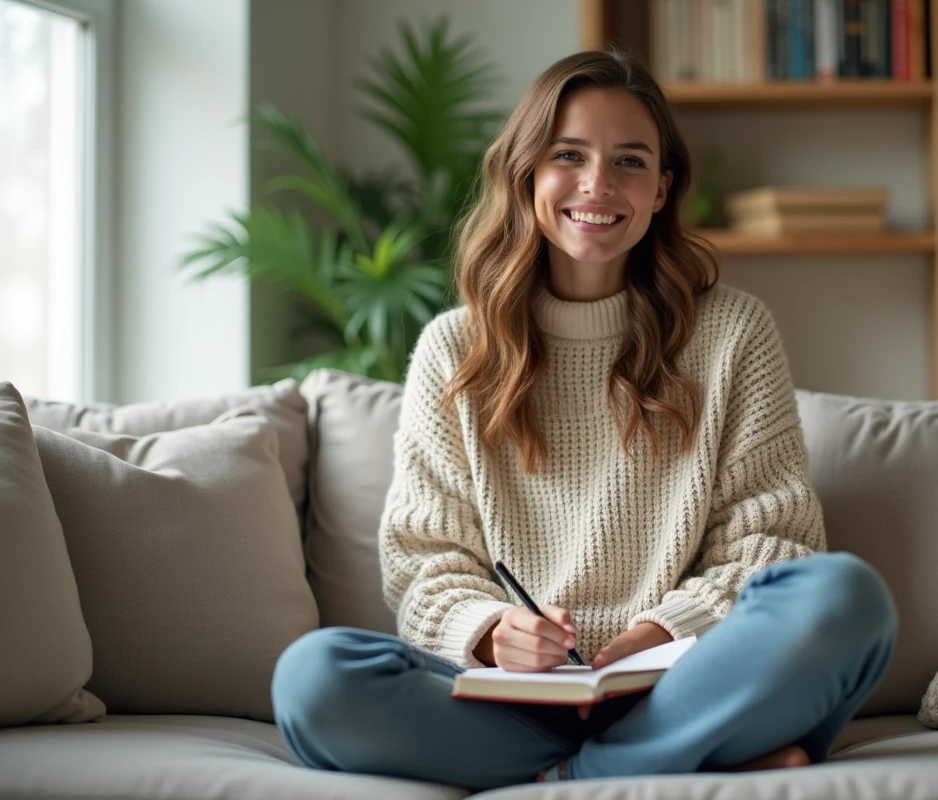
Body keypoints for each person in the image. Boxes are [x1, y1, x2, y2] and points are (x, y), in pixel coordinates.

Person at [271, 47, 897, 791]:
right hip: (511, 704)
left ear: (662, 189)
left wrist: (655, 636)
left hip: (681, 682)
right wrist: (493, 632)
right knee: (313, 676)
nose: (599, 184)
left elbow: (773, 539)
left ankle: (579, 773)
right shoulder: (454, 348)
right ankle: (658, 765)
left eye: (630, 162)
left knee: (844, 597)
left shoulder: (732, 333)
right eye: (569, 155)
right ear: (527, 171)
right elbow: (424, 562)